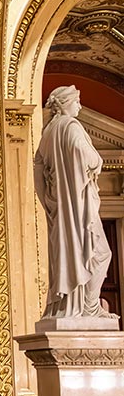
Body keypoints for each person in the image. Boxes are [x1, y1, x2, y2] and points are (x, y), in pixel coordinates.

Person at [33, 84, 117, 321]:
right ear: (66, 103)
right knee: (100, 253)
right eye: (76, 102)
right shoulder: (71, 126)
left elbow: (37, 168)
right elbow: (86, 156)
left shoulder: (47, 132)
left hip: (61, 207)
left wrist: (49, 200)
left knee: (71, 254)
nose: (80, 106)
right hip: (78, 206)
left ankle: (72, 306)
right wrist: (97, 160)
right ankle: (89, 307)